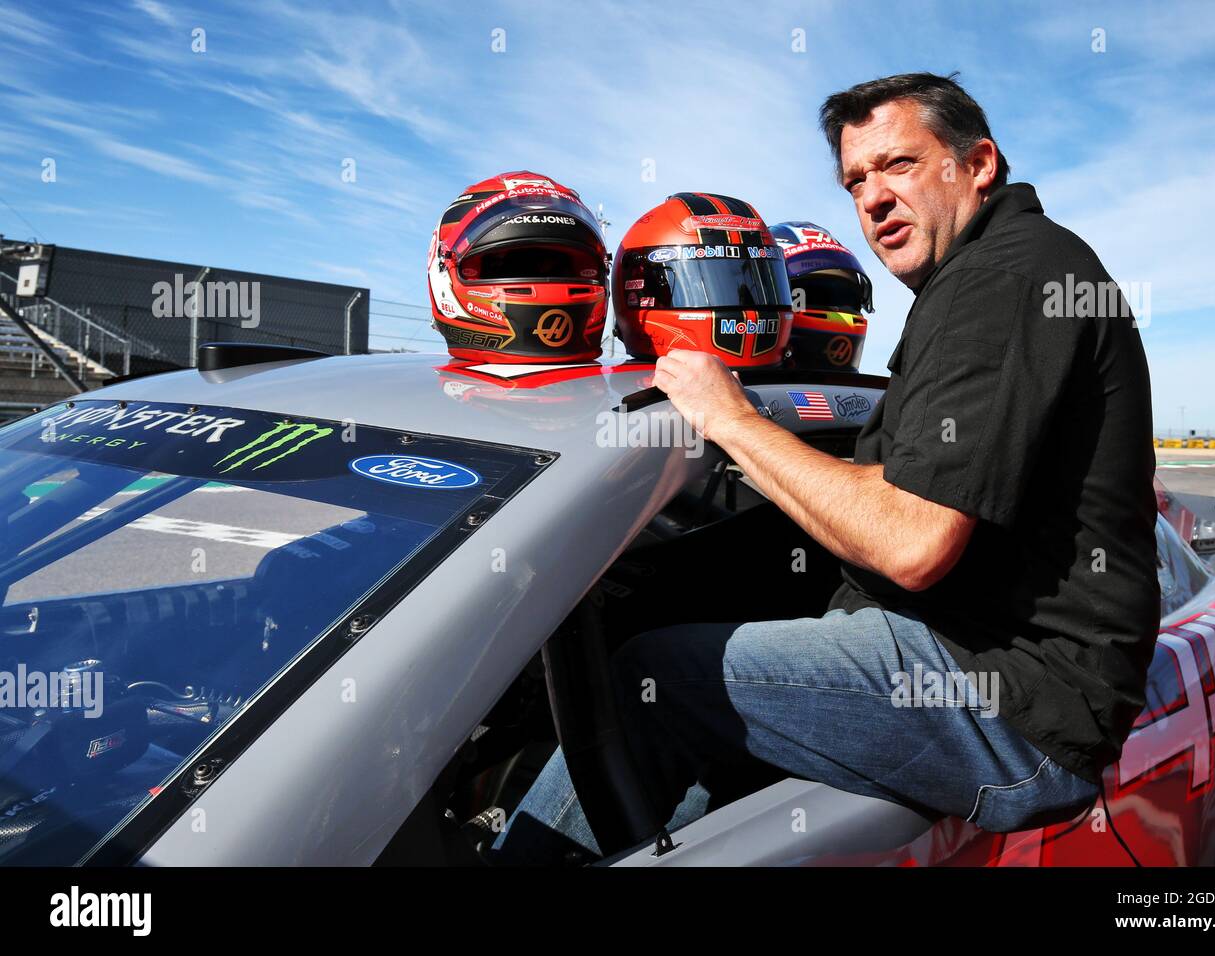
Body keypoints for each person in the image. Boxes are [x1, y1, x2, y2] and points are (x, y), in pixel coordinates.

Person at [488, 72, 1160, 865]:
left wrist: (728, 416)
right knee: (713, 705)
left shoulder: (1002, 279)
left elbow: (912, 541)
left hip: (1010, 705)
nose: (874, 197)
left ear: (978, 164)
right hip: (1001, 669)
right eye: (856, 180)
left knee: (652, 682)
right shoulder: (1009, 269)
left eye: (900, 164)